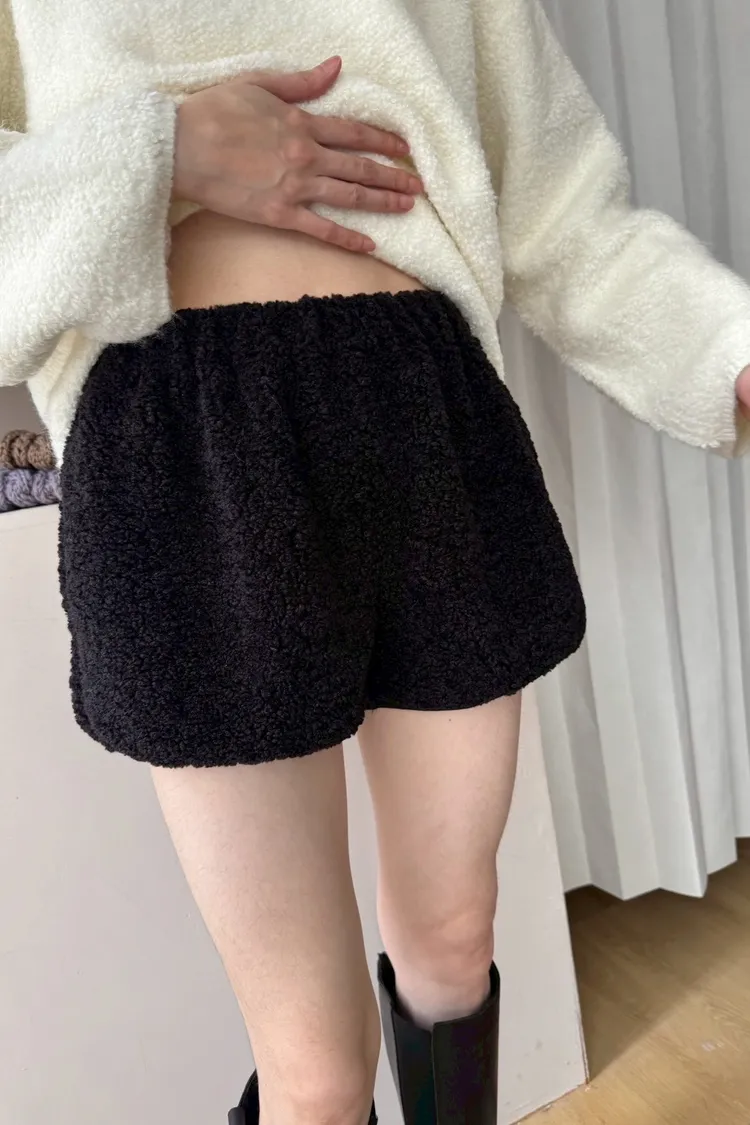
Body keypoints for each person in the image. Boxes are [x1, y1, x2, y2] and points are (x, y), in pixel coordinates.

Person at [2, 2, 750, 1123]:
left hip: (424, 419)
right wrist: (157, 155)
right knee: (314, 1071)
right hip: (183, 447)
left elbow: (563, 214)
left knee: (454, 944)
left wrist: (727, 349)